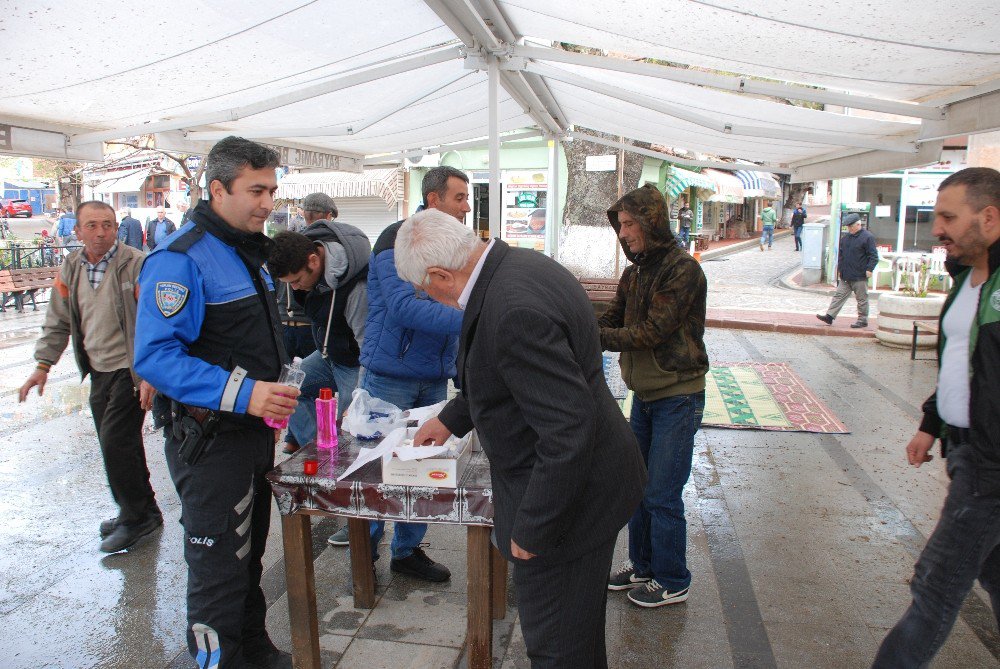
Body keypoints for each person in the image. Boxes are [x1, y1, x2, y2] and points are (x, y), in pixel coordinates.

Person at [403, 209, 647, 667]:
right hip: (593, 477)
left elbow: (567, 429)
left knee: (558, 647)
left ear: (439, 273)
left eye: (425, 289)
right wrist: (455, 416)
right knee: (577, 632)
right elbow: (503, 371)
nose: (428, 298)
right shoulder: (518, 265)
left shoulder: (511, 308)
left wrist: (535, 527)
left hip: (573, 500)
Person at [134, 136, 299, 669]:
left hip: (251, 436)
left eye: (272, 190)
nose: (267, 202)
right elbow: (156, 357)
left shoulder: (246, 251)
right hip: (208, 443)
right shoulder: (180, 259)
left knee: (247, 558)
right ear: (218, 188)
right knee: (217, 572)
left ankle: (253, 651)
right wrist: (249, 394)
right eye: (256, 190)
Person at [872, 167, 1000, 667]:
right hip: (965, 451)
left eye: (949, 216)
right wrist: (932, 423)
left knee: (935, 587)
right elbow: (961, 365)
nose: (938, 228)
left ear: (989, 218)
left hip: (990, 470)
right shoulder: (969, 277)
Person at [335, 166, 468, 580]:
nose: (466, 207)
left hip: (434, 373)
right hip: (389, 375)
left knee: (423, 465)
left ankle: (407, 550)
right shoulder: (397, 238)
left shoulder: (456, 244)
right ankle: (366, 552)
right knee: (375, 467)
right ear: (434, 200)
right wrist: (471, 317)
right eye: (459, 198)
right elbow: (404, 307)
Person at [18, 201, 161, 553]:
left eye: (108, 225)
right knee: (118, 445)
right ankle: (144, 509)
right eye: (93, 225)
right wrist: (42, 366)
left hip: (131, 372)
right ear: (77, 231)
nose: (101, 232)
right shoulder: (71, 267)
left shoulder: (136, 264)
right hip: (98, 372)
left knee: (116, 443)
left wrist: (150, 374)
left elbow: (155, 322)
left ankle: (135, 518)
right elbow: (59, 319)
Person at [598, 183, 709, 608]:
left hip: (677, 395)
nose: (623, 233)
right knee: (637, 486)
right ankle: (643, 565)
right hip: (644, 395)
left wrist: (599, 339)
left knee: (662, 491)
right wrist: (578, 321)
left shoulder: (682, 270)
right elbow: (612, 315)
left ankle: (674, 578)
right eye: (620, 225)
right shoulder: (636, 271)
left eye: (629, 224)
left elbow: (652, 331)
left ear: (651, 222)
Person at [266, 207, 370, 451]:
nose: (297, 289)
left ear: (314, 260)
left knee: (351, 424)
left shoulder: (356, 288)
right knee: (287, 393)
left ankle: (340, 464)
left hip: (354, 363)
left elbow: (367, 344)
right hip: (326, 355)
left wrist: (361, 394)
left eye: (297, 281)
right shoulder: (305, 260)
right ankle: (319, 451)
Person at [816, 213, 878, 329]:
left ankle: (862, 319)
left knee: (861, 298)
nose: (849, 228)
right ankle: (830, 316)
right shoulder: (846, 239)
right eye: (848, 227)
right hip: (846, 274)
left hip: (859, 274)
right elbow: (842, 255)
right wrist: (840, 269)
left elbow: (873, 256)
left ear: (858, 224)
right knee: (839, 295)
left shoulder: (867, 237)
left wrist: (869, 269)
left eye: (851, 226)